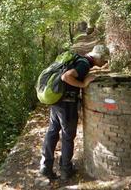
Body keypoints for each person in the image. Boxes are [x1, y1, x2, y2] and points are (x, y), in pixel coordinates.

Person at [39, 44, 110, 180]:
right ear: (98, 57)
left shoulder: (79, 60)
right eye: (104, 59)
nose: (105, 63)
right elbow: (66, 77)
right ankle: (66, 169)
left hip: (56, 99)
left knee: (52, 131)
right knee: (68, 135)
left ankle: (45, 166)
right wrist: (83, 84)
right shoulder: (84, 64)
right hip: (67, 104)